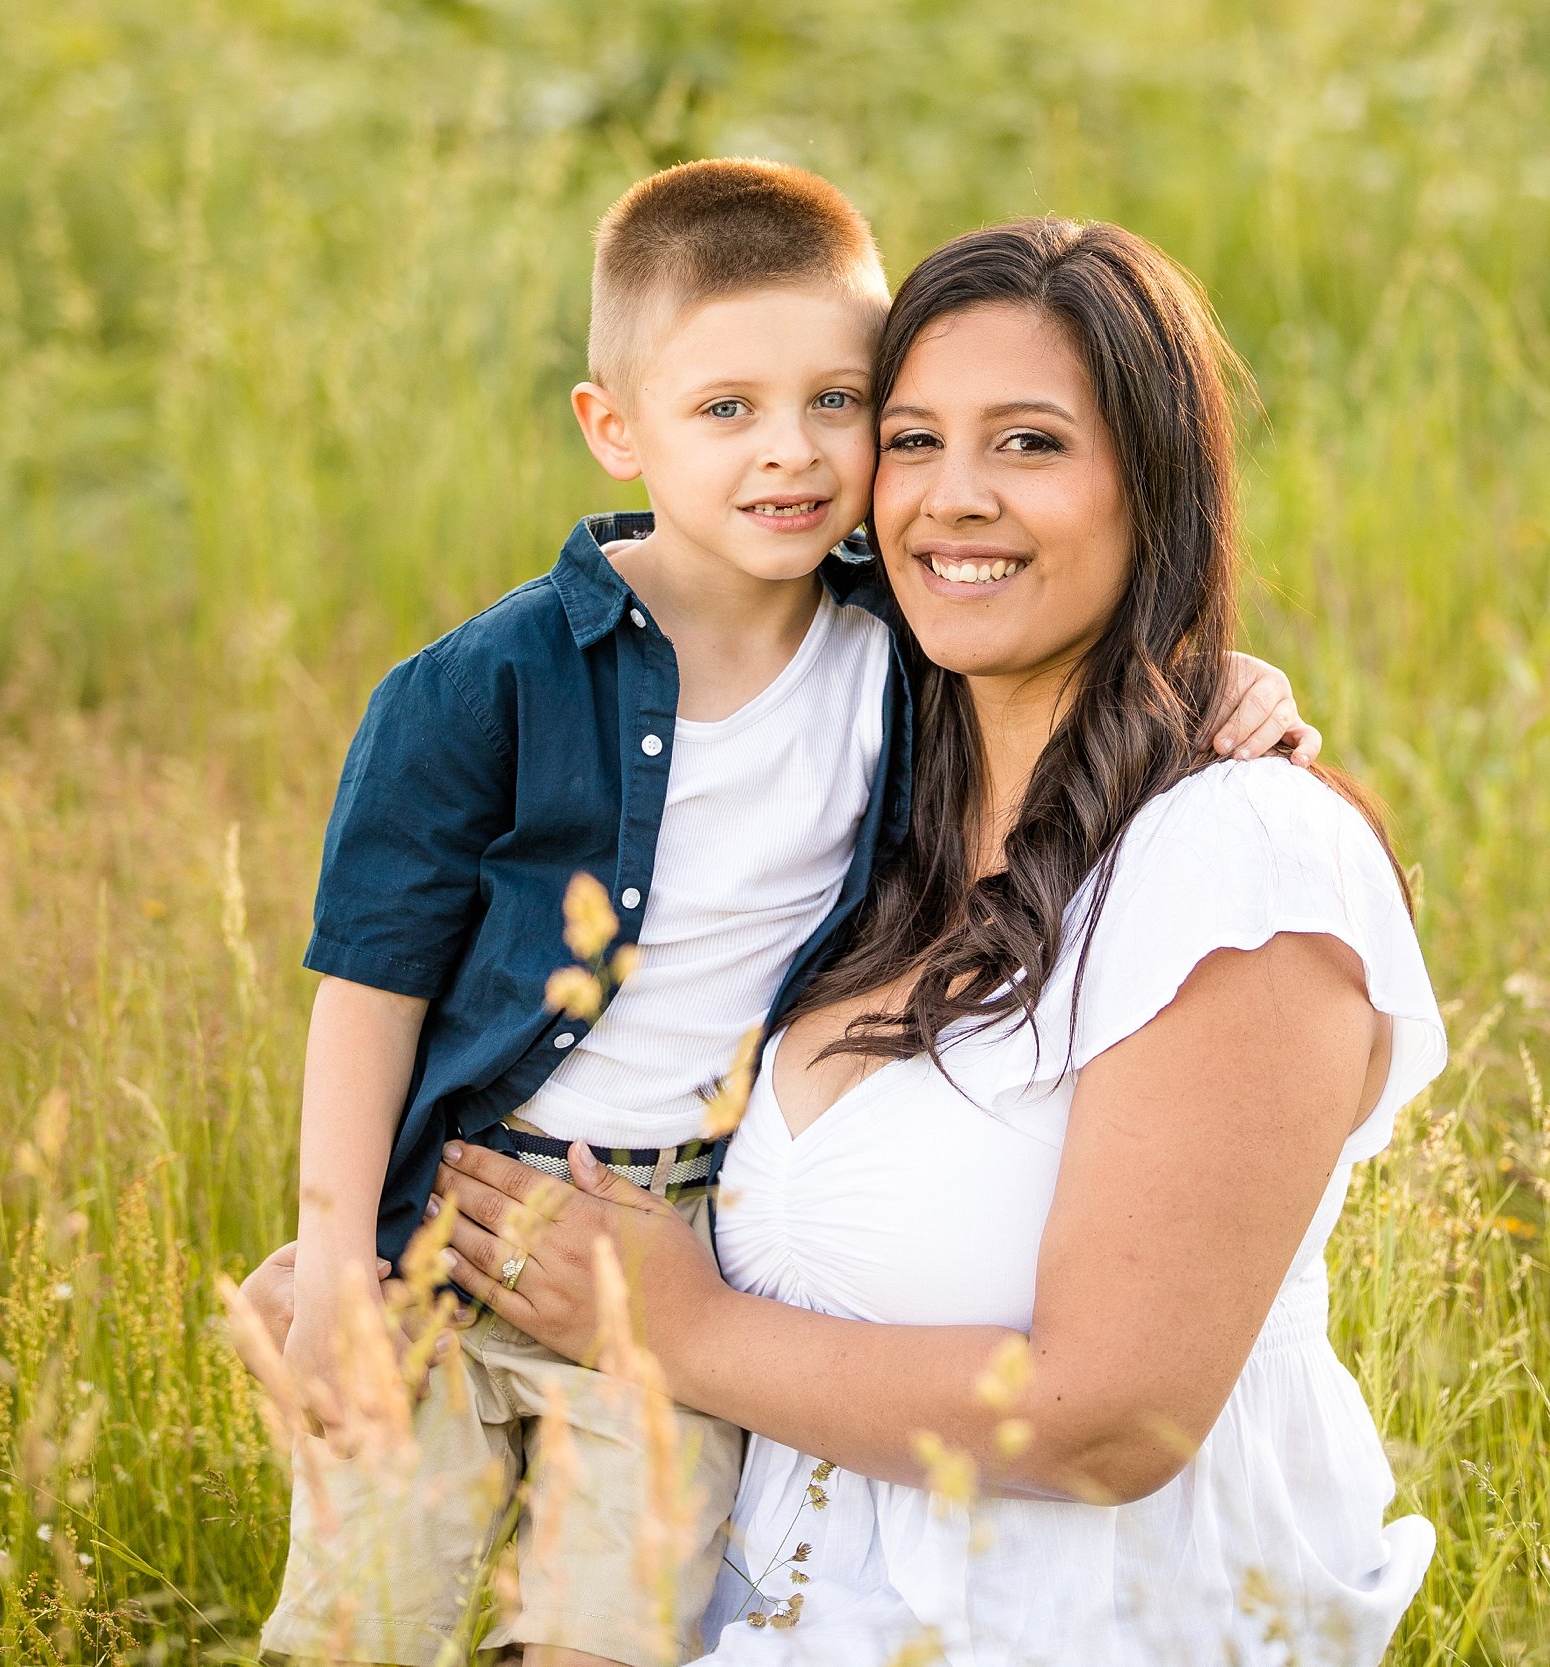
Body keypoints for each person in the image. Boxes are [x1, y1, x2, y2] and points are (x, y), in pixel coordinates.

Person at [249, 162, 1316, 1667]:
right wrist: (336, 1255)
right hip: (460, 1215)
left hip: (679, 1231)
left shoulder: (900, 641)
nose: (794, 455)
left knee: (609, 1633)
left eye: (839, 405)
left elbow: (1065, 626)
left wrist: (1218, 684)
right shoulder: (485, 685)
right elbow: (369, 984)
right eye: (727, 410)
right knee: (367, 1624)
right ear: (613, 427)